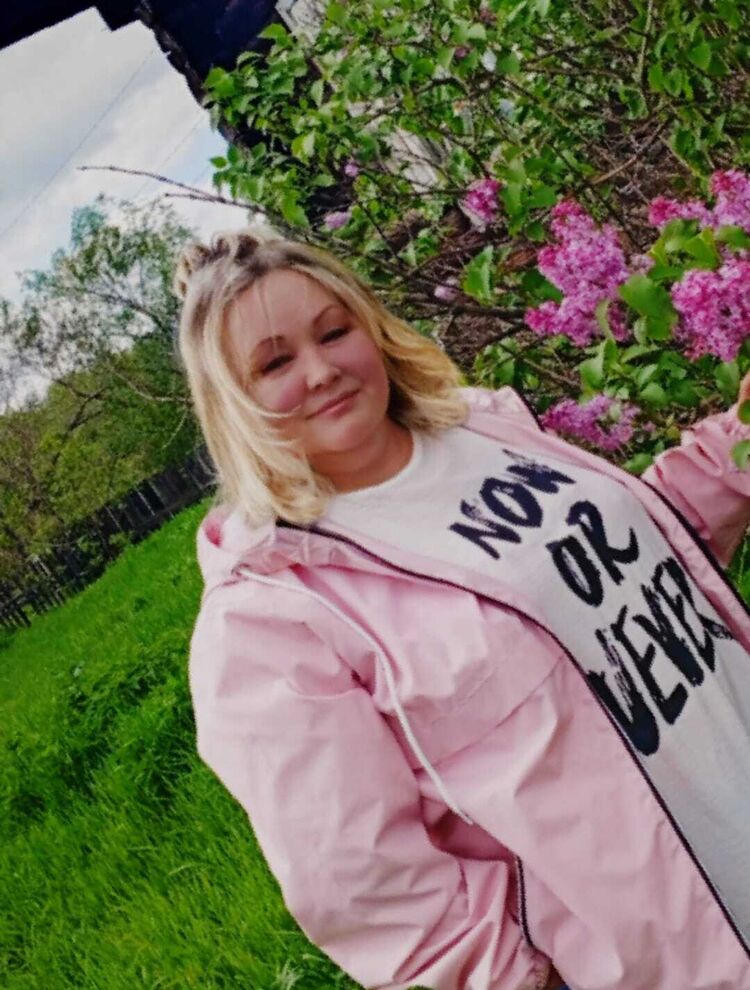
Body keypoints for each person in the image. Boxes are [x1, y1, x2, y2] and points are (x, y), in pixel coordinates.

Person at [176, 224, 750, 990]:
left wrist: (739, 444)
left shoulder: (479, 429)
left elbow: (623, 558)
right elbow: (369, 892)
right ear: (232, 404)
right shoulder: (268, 621)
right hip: (682, 958)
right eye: (275, 362)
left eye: (334, 332)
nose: (321, 370)